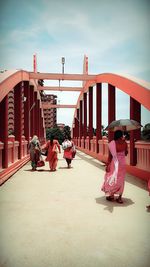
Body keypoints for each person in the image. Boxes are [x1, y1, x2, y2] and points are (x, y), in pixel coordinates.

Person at [101, 130, 128, 203]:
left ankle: (111, 195)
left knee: (112, 177)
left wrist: (108, 165)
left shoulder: (112, 143)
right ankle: (119, 198)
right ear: (121, 135)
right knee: (121, 179)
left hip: (115, 163)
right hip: (122, 164)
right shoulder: (125, 143)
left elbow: (110, 156)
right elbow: (126, 153)